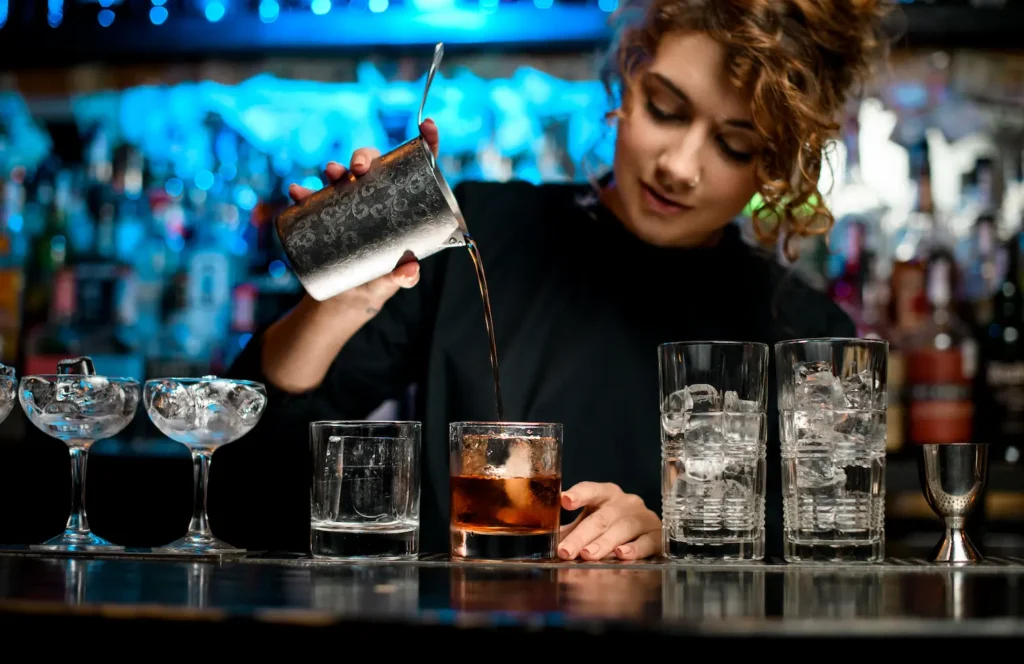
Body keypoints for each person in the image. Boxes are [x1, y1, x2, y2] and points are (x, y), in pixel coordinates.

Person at [216, 0, 890, 560]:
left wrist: (679, 543)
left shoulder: (807, 339)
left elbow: (829, 572)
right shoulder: (480, 230)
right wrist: (344, 298)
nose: (681, 166)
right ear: (627, 78)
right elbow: (242, 487)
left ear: (776, 165)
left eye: (735, 145)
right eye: (666, 108)